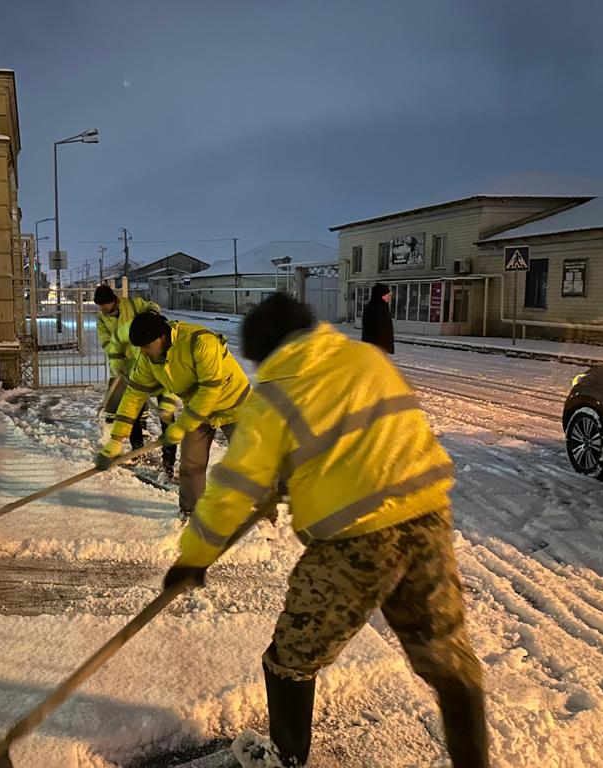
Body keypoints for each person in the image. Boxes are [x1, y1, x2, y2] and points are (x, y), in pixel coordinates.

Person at [164, 293, 488, 768]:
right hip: (428, 518)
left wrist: (192, 558)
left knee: (290, 658)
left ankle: (285, 757)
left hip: (356, 543)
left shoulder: (275, 394)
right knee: (446, 659)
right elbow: (355, 439)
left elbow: (232, 490)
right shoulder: (365, 359)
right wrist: (287, 476)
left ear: (267, 351)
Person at [96, 313, 251, 520]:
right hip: (198, 412)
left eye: (146, 346)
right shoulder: (149, 358)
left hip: (234, 405)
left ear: (161, 337)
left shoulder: (200, 341)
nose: (142, 352)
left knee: (249, 463)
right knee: (190, 464)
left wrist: (181, 426)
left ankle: (265, 513)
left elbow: (209, 391)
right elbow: (133, 396)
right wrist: (115, 440)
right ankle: (190, 512)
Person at [93, 285, 177, 475]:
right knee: (133, 412)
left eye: (105, 304)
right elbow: (109, 344)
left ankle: (169, 463)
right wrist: (118, 362)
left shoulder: (133, 304)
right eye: (100, 306)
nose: (103, 309)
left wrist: (151, 314)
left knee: (167, 416)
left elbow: (152, 306)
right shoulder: (103, 321)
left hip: (158, 365)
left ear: (114, 299)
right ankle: (137, 450)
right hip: (133, 369)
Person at [361, 282, 394, 354]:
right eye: (387, 295)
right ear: (380, 295)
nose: (389, 297)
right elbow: (371, 330)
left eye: (389, 295)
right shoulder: (374, 308)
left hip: (381, 345)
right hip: (376, 346)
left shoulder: (383, 307)